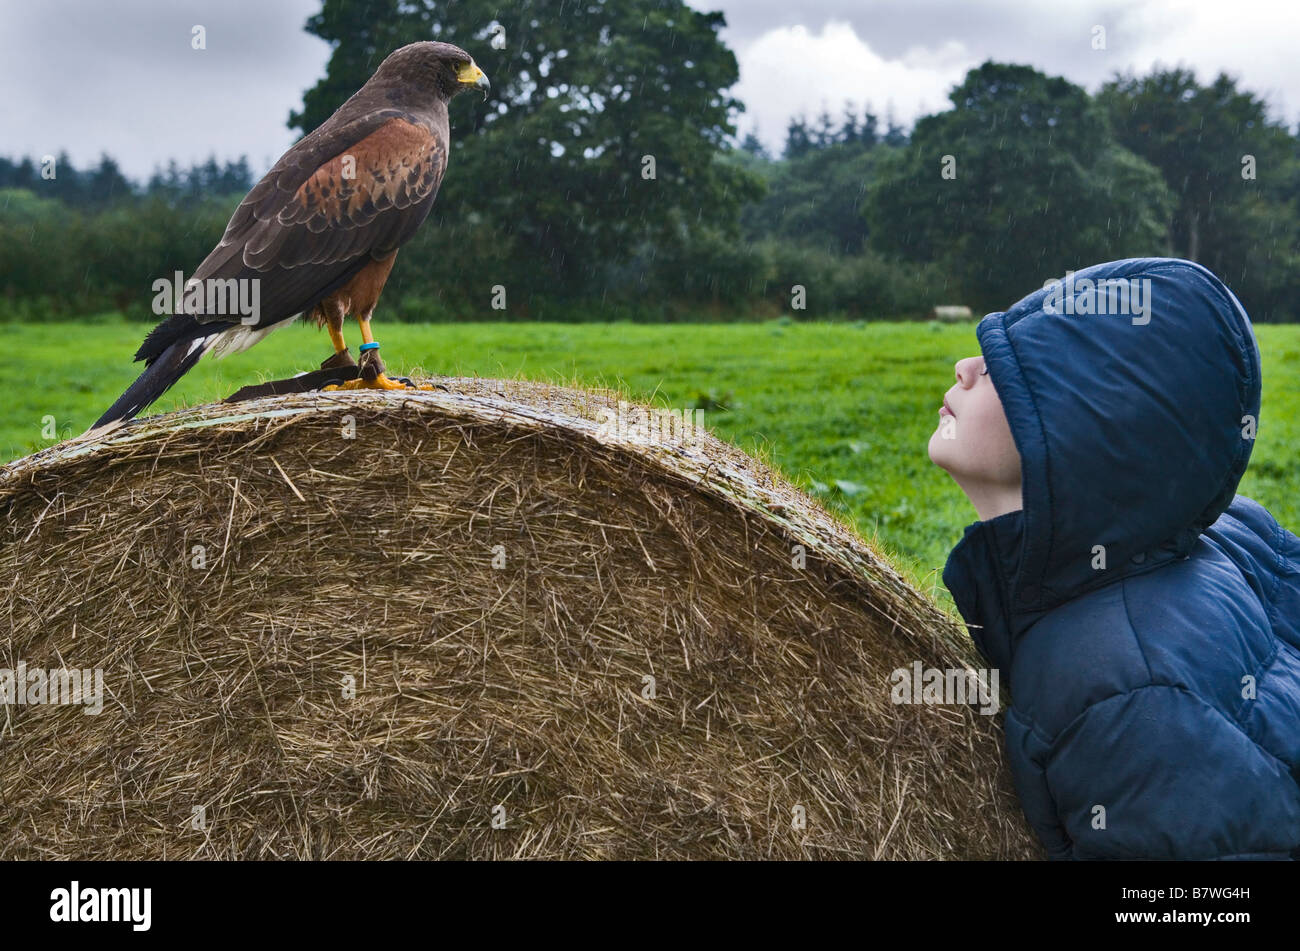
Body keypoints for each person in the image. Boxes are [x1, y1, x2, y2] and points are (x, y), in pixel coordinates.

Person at [929, 257, 1300, 860]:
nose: (966, 368)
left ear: (1091, 429)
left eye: (1004, 371)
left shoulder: (1118, 691)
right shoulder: (1197, 535)